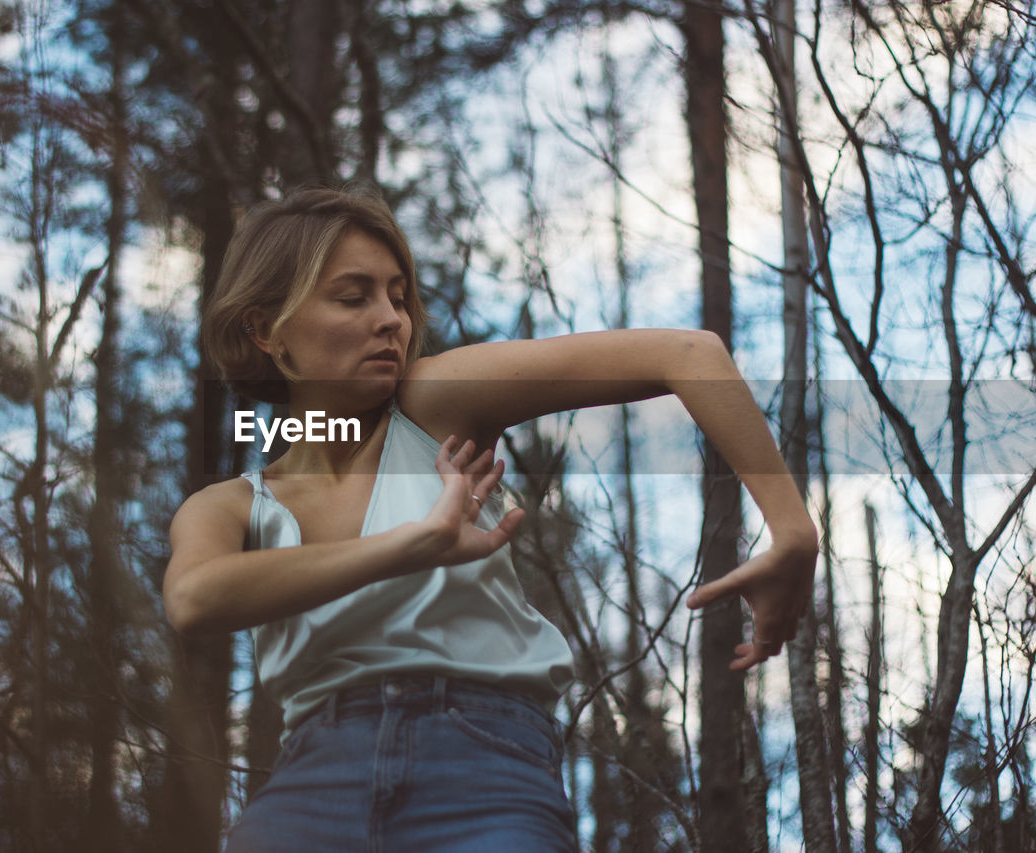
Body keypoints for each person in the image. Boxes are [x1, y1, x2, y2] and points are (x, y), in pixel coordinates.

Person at [163, 186, 817, 851]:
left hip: (484, 767)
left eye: (398, 295)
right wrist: (414, 543)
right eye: (354, 296)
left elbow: (688, 355)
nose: (391, 319)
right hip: (310, 788)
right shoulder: (231, 505)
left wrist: (793, 530)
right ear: (265, 329)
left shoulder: (431, 405)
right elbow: (192, 598)